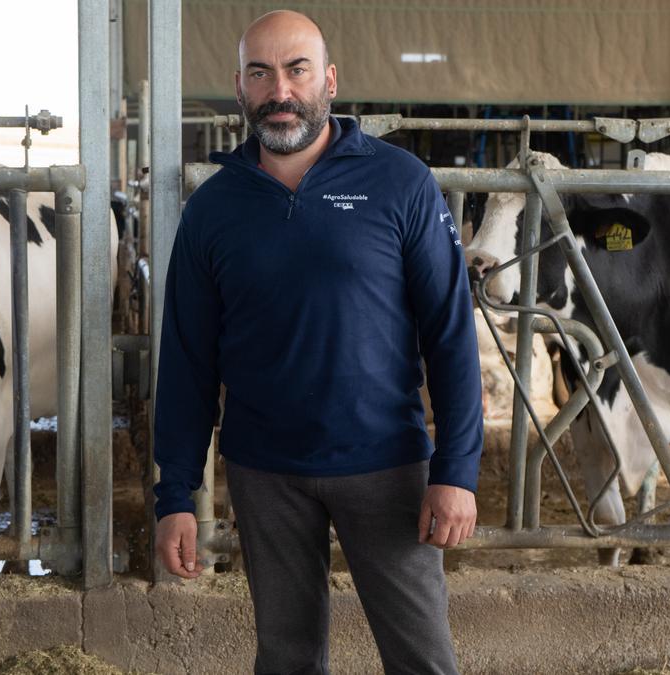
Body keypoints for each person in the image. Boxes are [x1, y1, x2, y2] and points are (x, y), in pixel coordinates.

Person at [152, 9, 483, 674]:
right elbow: (186, 358)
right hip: (264, 473)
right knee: (287, 656)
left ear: (329, 80)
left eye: (297, 70)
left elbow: (450, 332)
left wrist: (457, 470)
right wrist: (175, 494)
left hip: (384, 466)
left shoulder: (401, 183)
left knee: (422, 657)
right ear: (239, 88)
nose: (281, 90)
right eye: (261, 73)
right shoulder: (214, 209)